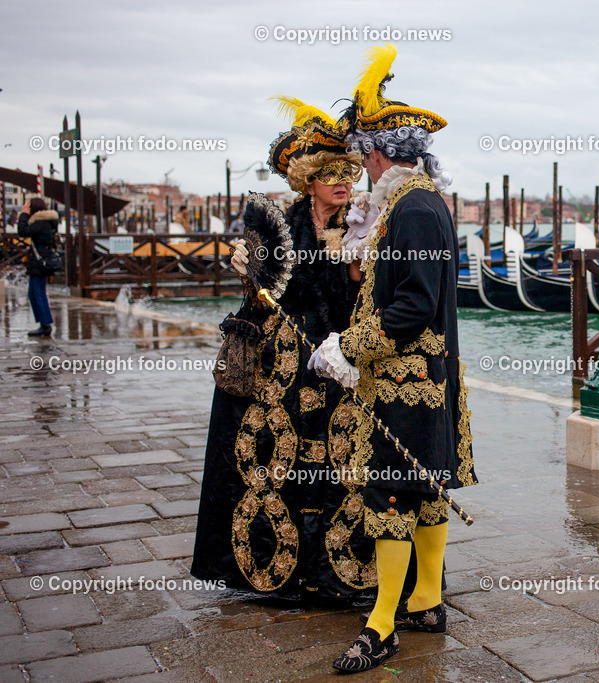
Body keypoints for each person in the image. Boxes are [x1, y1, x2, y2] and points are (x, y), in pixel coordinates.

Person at [308, 44, 477, 674]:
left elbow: (415, 305)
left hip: (408, 382)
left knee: (390, 497)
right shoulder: (417, 203)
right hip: (419, 379)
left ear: (381, 152)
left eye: (363, 153)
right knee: (424, 490)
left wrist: (347, 347)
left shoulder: (413, 208)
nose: (360, 163)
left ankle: (383, 626)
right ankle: (426, 601)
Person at [191, 98, 380, 604]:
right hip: (283, 371)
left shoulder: (363, 225)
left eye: (348, 170)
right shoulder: (282, 226)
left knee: (342, 463)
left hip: (340, 362)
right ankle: (288, 573)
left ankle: (340, 572)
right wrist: (249, 277)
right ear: (308, 179)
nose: (342, 181)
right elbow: (263, 299)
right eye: (330, 172)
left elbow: (363, 301)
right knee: (278, 463)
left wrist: (356, 267)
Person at [17, 198, 59, 337]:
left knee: (38, 293)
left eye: (28, 206)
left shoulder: (41, 223)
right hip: (39, 262)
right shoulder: (43, 222)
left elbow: (22, 231)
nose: (25, 207)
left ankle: (45, 325)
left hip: (40, 263)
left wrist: (23, 214)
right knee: (34, 293)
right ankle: (44, 323)